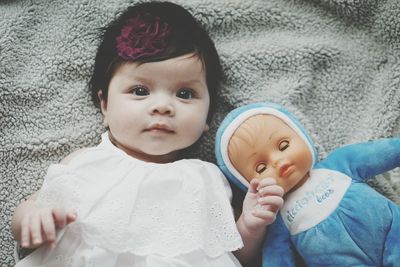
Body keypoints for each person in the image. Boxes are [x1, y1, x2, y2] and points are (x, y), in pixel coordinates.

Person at [11, 2, 284, 266]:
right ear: (105, 105)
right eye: (140, 91)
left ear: (207, 119)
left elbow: (234, 256)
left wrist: (250, 224)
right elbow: (32, 206)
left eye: (185, 94)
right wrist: (33, 218)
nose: (163, 106)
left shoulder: (207, 180)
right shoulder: (88, 161)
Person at [215, 102, 400, 266]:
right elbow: (277, 257)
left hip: (392, 231)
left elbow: (384, 152)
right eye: (261, 167)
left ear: (302, 136)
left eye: (284, 146)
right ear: (248, 186)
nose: (278, 162)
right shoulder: (278, 220)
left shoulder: (340, 163)